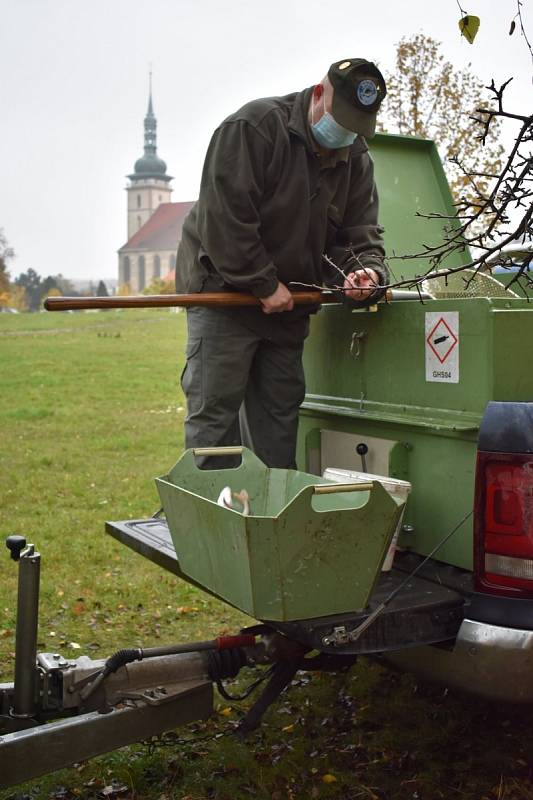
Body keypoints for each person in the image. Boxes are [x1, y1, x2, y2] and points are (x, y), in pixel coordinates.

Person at [176, 58, 389, 469]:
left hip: (288, 303)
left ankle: (270, 520)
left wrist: (364, 272)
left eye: (355, 128)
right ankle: (215, 519)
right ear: (317, 95)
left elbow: (359, 232)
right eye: (339, 120)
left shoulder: (356, 157)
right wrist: (262, 284)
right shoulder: (252, 129)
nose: (343, 135)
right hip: (224, 293)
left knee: (279, 416)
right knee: (215, 417)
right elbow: (225, 221)